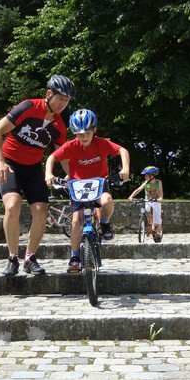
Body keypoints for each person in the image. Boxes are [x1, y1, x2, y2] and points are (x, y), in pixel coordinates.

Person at [0, 74, 76, 276]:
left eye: (66, 101)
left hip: (33, 168)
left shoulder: (59, 126)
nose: (63, 104)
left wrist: (75, 175)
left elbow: (62, 156)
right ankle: (12, 258)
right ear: (49, 94)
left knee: (41, 211)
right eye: (60, 98)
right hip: (10, 164)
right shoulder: (28, 106)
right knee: (12, 206)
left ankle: (29, 258)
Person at [45, 108, 130, 273]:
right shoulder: (71, 146)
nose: (83, 137)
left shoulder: (101, 143)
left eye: (87, 133)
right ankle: (75, 256)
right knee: (76, 221)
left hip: (99, 183)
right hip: (78, 186)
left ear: (94, 130)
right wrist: (49, 173)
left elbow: (122, 150)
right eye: (79, 134)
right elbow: (52, 157)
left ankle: (104, 223)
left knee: (107, 201)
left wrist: (125, 168)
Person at [128, 166, 163, 242]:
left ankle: (158, 233)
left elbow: (160, 192)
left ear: (152, 176)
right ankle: (148, 221)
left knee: (157, 215)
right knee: (146, 209)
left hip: (156, 201)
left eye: (146, 175)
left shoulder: (158, 182)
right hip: (148, 201)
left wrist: (160, 198)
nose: (144, 176)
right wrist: (131, 196)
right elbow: (138, 190)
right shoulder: (146, 183)